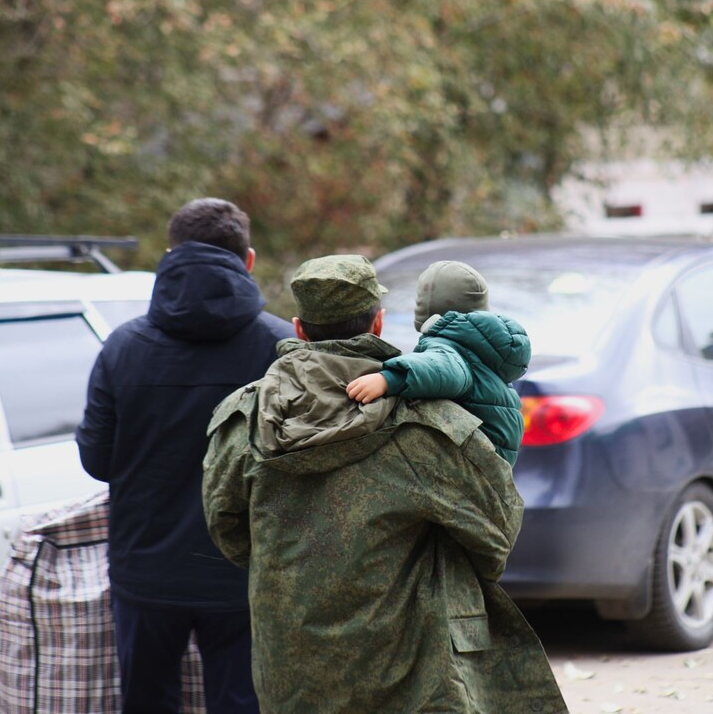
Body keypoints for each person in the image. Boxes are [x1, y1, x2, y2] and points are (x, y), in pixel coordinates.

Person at [202, 255, 568, 714]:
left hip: (293, 667)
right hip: (415, 669)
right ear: (378, 322)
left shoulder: (243, 419)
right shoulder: (431, 422)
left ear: (298, 328)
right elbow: (496, 531)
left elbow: (228, 529)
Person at [77, 198, 293, 714]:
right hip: (246, 576)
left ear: (171, 254)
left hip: (145, 572)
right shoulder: (282, 348)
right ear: (249, 260)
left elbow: (97, 461)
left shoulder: (122, 348)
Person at [345, 259, 530, 466]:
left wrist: (388, 379)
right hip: (494, 450)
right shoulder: (476, 345)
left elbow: (446, 369)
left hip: (477, 456)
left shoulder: (447, 346)